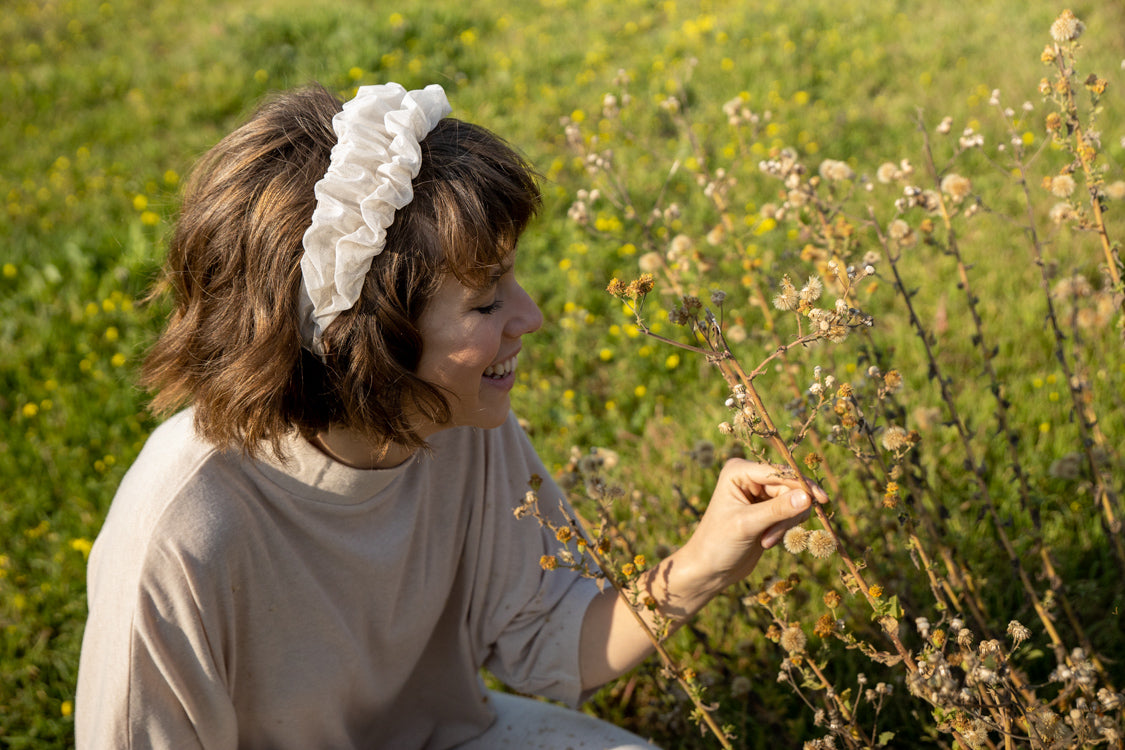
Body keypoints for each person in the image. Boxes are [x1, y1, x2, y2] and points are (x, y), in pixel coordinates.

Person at [75, 82, 823, 749]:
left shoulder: (451, 424)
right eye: (486, 300)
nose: (529, 318)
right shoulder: (180, 532)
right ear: (363, 338)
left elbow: (553, 644)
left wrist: (705, 560)